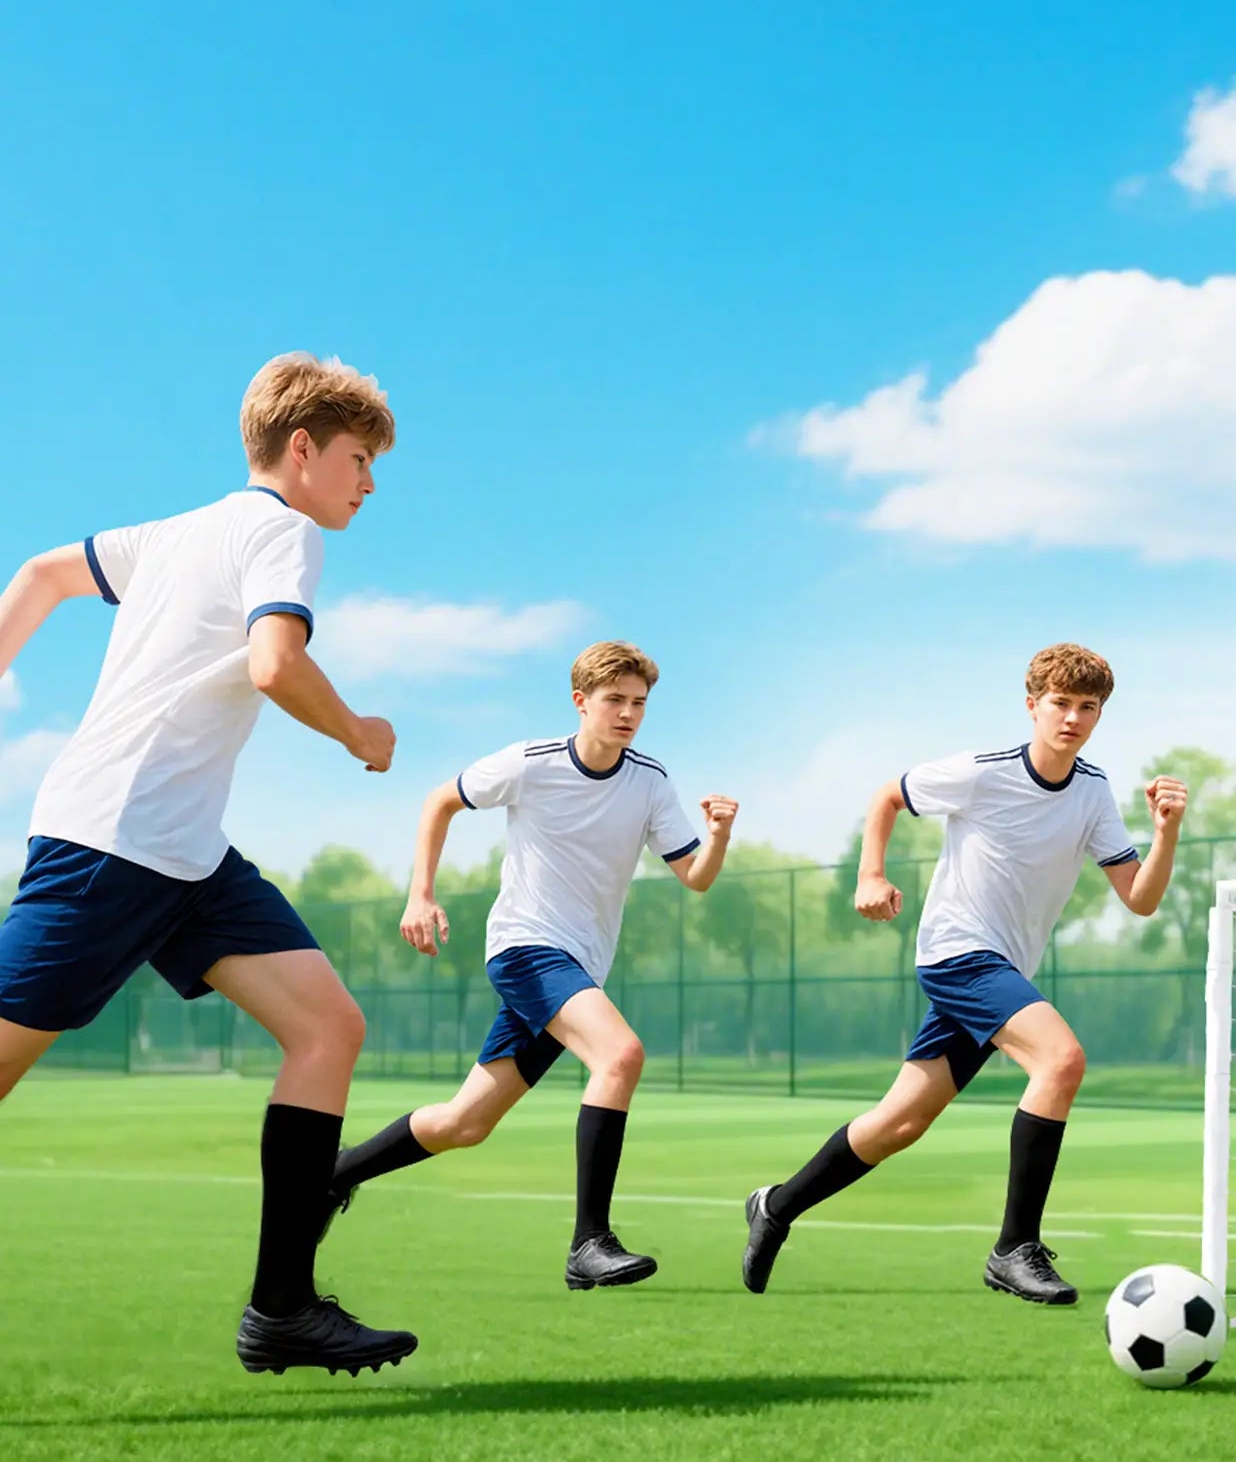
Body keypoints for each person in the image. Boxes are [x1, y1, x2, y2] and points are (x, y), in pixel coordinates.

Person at [0, 352, 416, 1375]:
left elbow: (44, 574)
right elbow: (275, 663)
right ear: (304, 447)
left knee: (327, 1024)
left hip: (183, 853)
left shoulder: (178, 530)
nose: (369, 484)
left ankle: (282, 1309)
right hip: (113, 841)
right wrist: (359, 730)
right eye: (360, 459)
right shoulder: (282, 529)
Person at [742, 643, 1187, 1305]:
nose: (1071, 717)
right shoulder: (982, 773)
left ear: (1098, 716)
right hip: (958, 953)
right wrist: (870, 875)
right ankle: (1014, 1248)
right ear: (1032, 705)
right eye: (1059, 703)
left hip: (1003, 966)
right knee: (1060, 1060)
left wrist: (1166, 832)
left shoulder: (1092, 791)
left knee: (900, 1123)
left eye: (1086, 707)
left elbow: (1140, 898)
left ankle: (775, 1206)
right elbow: (887, 797)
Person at [324, 641, 737, 1289]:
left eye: (639, 704)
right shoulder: (530, 763)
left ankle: (336, 1176)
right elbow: (440, 802)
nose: (628, 714)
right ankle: (589, 1242)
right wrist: (420, 893)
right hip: (525, 947)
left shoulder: (651, 781)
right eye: (615, 701)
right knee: (620, 1055)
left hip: (581, 967)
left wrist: (717, 838)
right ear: (581, 702)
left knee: (466, 1122)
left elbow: (694, 877)